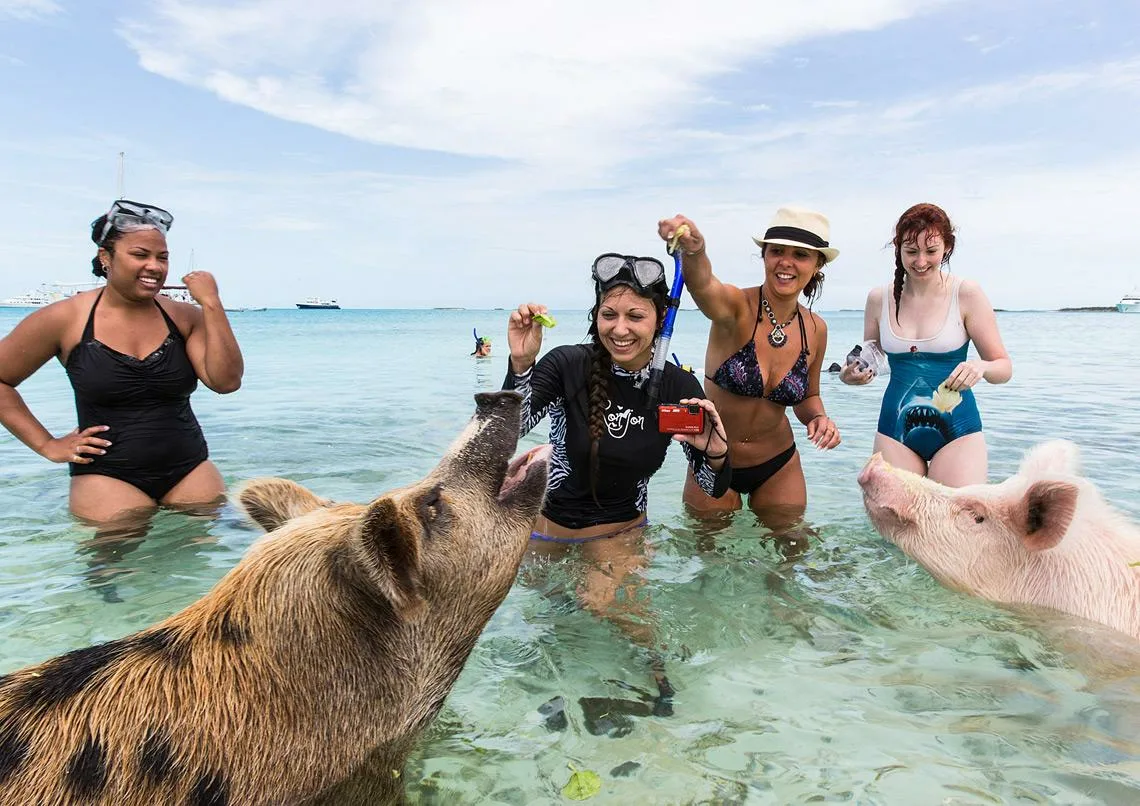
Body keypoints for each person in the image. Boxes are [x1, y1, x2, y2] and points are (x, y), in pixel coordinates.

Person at [505, 252, 731, 704]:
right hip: (544, 534)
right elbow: (506, 430)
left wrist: (717, 453)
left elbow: (711, 486)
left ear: (660, 319)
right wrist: (521, 365)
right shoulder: (568, 364)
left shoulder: (676, 389)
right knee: (552, 621)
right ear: (596, 316)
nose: (620, 328)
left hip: (618, 532)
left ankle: (660, 683)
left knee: (604, 604)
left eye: (635, 316)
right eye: (609, 314)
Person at [0, 199, 244, 523]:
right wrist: (47, 445)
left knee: (207, 565)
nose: (155, 266)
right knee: (113, 570)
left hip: (191, 470)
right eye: (140, 255)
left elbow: (226, 382)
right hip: (107, 477)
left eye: (163, 257)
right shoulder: (65, 319)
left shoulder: (185, 316)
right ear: (106, 258)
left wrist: (212, 304)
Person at [656, 206, 842, 527]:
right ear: (765, 256)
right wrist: (696, 250)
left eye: (800, 255)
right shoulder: (736, 308)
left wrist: (819, 418)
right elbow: (703, 285)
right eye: (777, 252)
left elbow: (808, 396)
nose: (786, 262)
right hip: (714, 460)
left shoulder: (816, 329)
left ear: (817, 265)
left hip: (778, 464)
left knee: (790, 560)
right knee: (708, 563)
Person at [839, 202, 1011, 486]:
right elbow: (872, 357)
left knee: (955, 527)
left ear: (947, 248)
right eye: (911, 251)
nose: (920, 261)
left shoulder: (966, 293)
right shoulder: (878, 299)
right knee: (896, 530)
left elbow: (1004, 367)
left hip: (959, 430)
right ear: (898, 250)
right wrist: (850, 375)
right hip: (895, 429)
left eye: (931, 251)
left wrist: (980, 367)